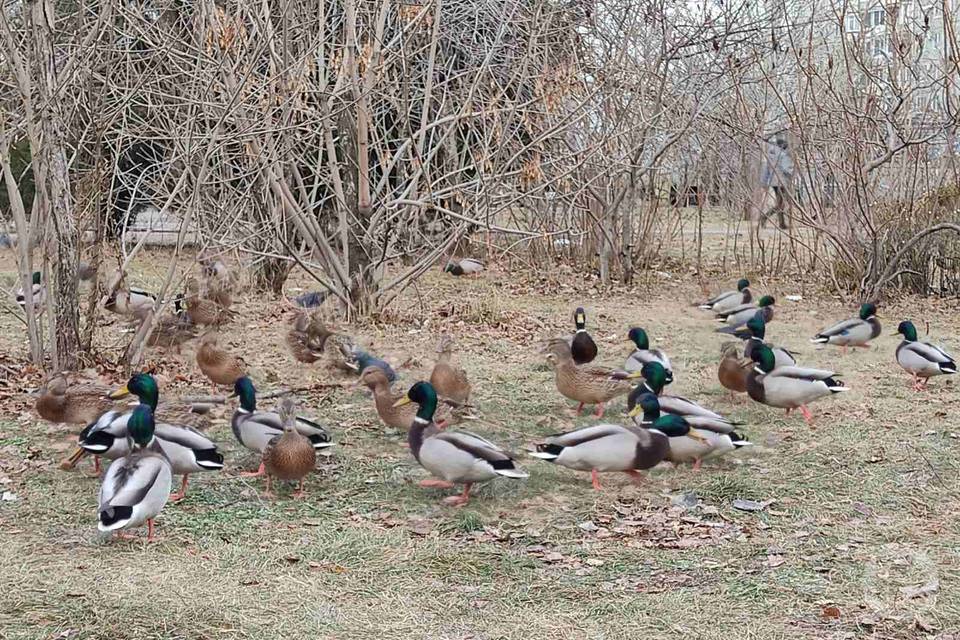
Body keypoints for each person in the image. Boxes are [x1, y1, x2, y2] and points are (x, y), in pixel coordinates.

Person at [759, 134, 794, 229]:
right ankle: (764, 217)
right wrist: (793, 172)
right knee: (781, 203)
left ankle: (781, 223)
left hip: (773, 182)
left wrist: (764, 182)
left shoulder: (771, 156)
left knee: (780, 203)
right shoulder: (783, 155)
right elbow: (786, 169)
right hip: (782, 182)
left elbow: (766, 170)